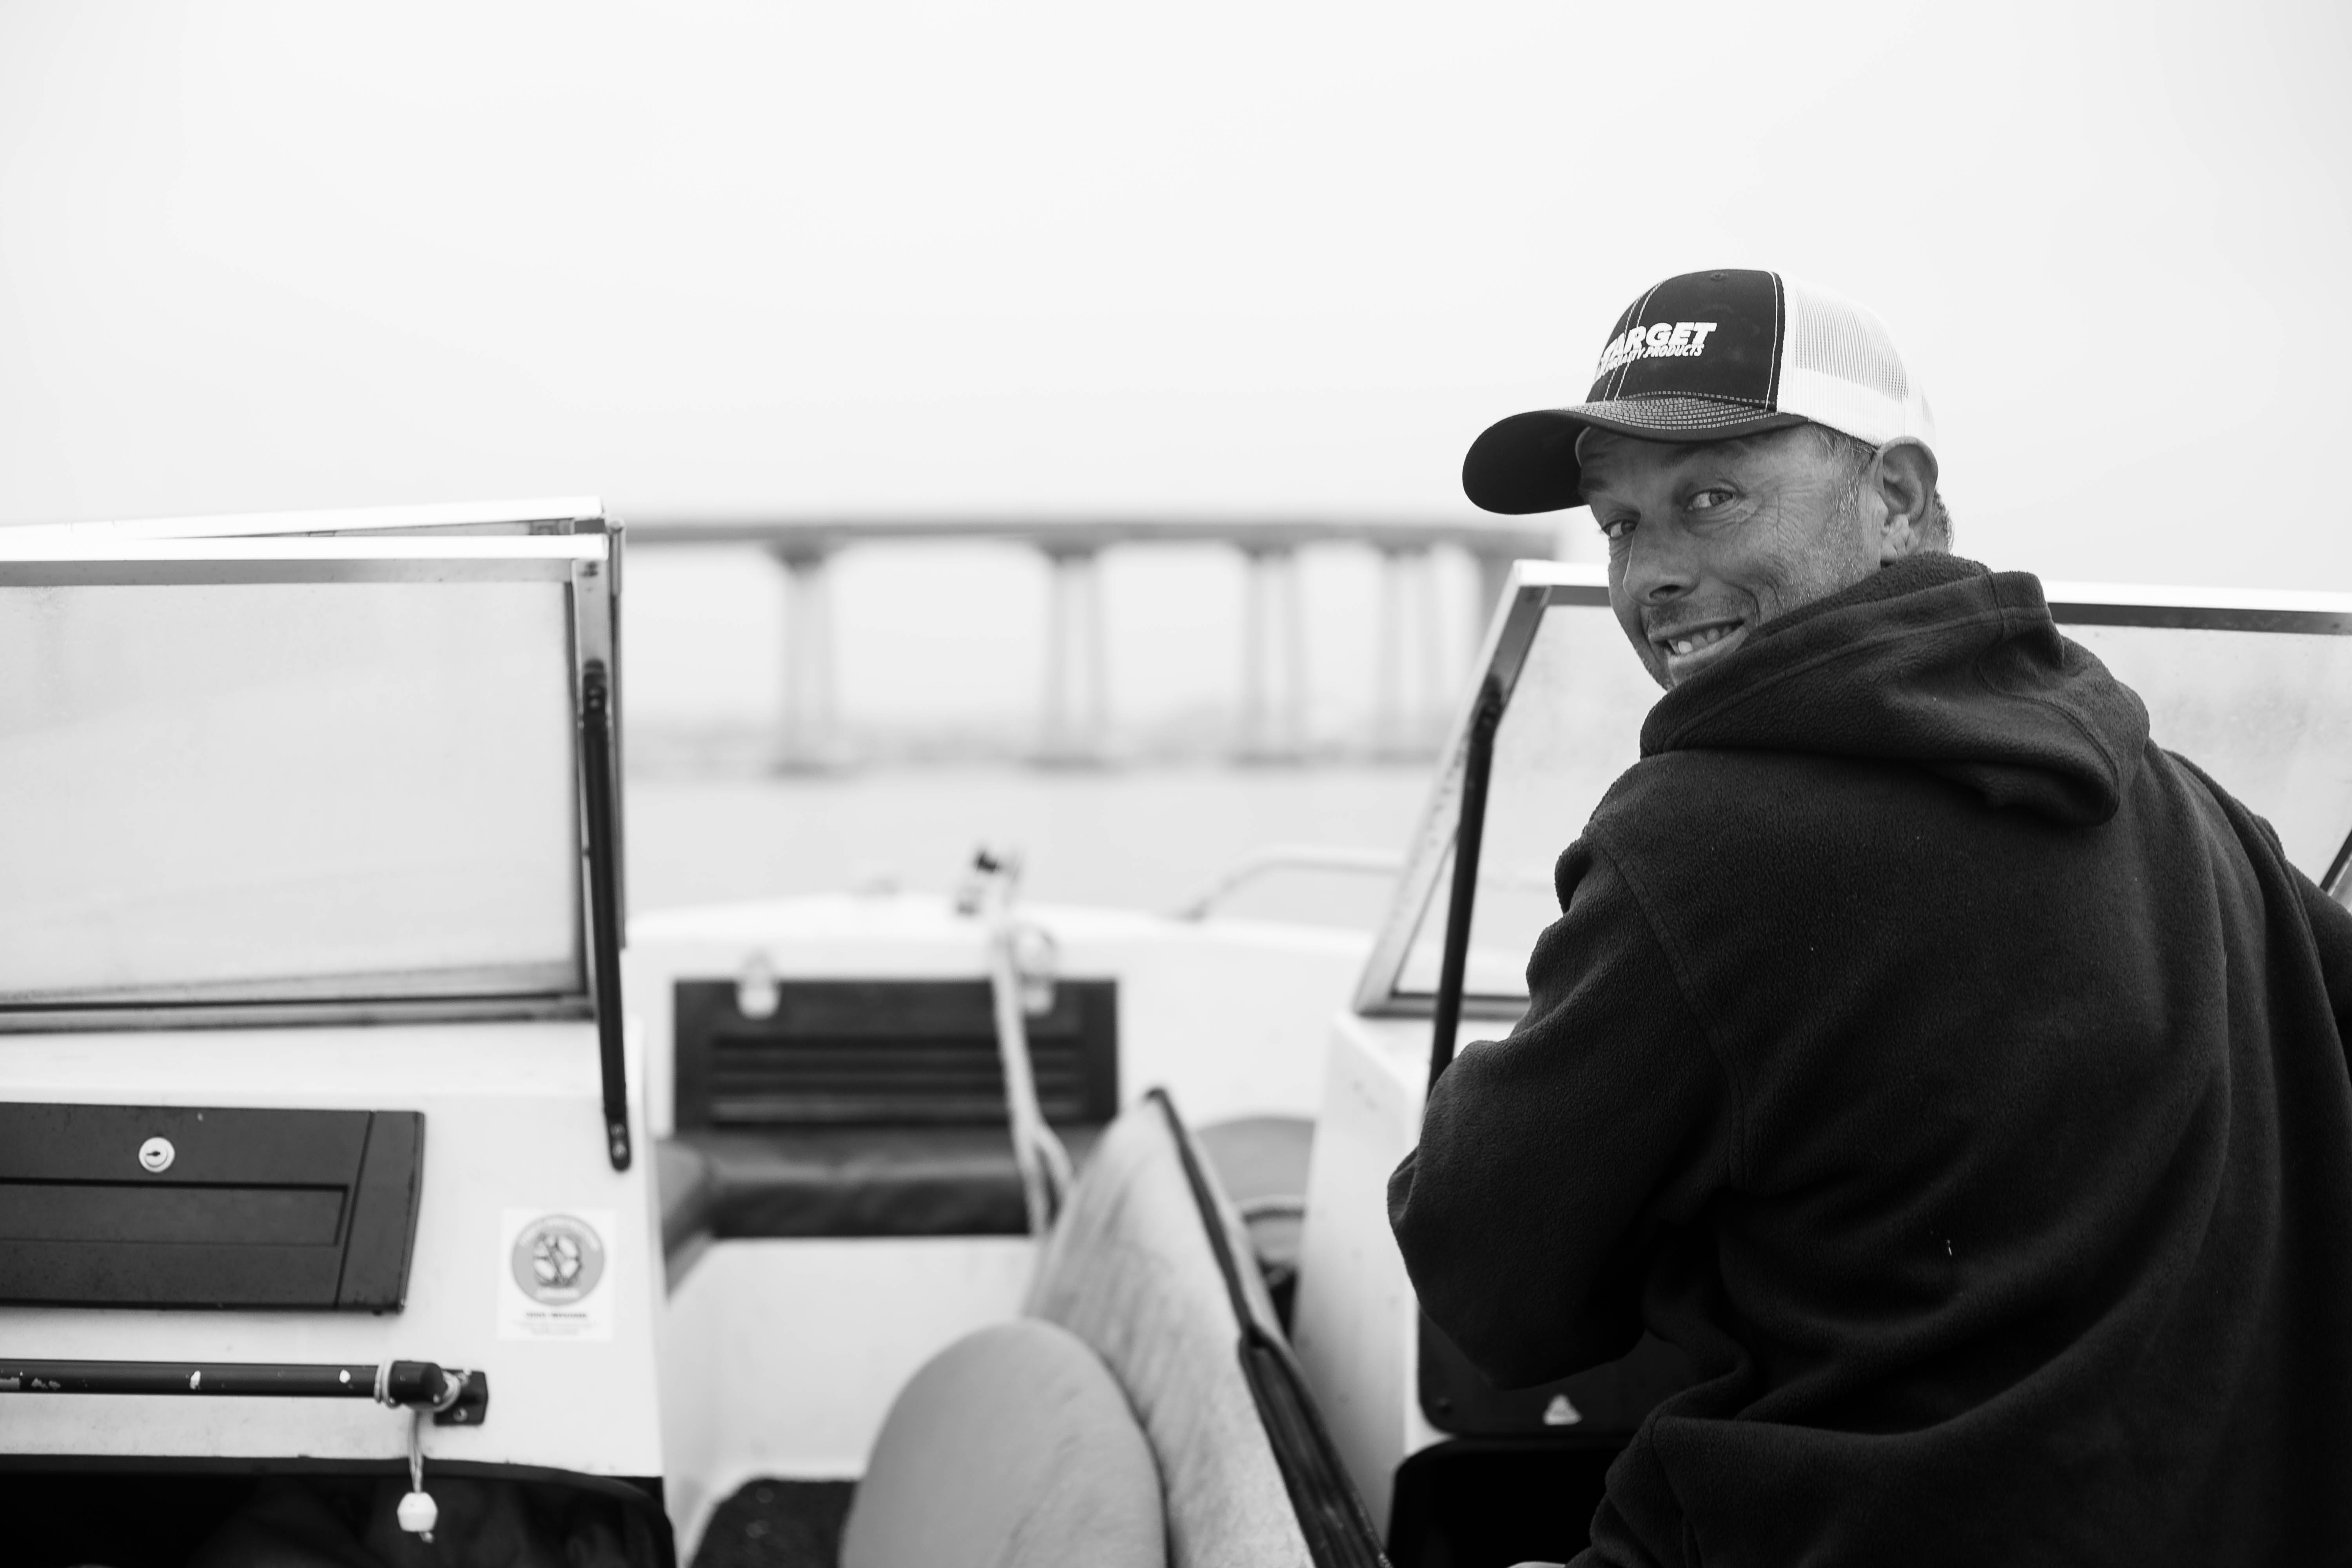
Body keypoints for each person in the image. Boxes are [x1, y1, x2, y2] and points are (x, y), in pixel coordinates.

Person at [1386, 268, 2352, 1565]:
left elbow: (1491, 1288)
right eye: (1619, 525)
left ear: (1895, 497)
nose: (1652, 575)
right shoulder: (2187, 807)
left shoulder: (1702, 839)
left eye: (1711, 498)